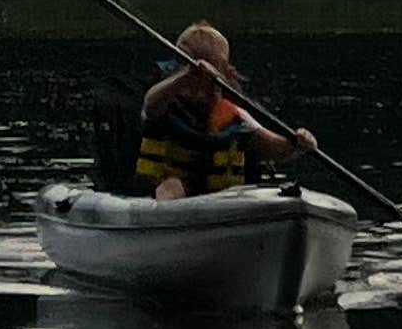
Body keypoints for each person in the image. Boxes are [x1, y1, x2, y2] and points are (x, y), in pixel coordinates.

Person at [134, 21, 318, 201]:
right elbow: (150, 105)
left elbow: (274, 148)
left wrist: (297, 144)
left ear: (224, 74)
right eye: (184, 66)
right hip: (172, 187)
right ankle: (168, 223)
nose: (197, 83)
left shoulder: (234, 114)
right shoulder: (165, 102)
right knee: (171, 186)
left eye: (203, 77)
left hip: (222, 198)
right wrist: (186, 76)